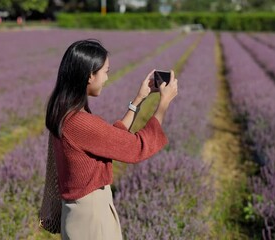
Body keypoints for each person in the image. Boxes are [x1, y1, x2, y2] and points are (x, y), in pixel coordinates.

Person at [45, 39, 178, 239]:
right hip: (91, 218)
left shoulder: (65, 112)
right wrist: (163, 105)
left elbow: (110, 138)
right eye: (106, 71)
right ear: (90, 75)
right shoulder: (80, 122)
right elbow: (136, 148)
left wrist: (139, 99)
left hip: (79, 214)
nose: (107, 78)